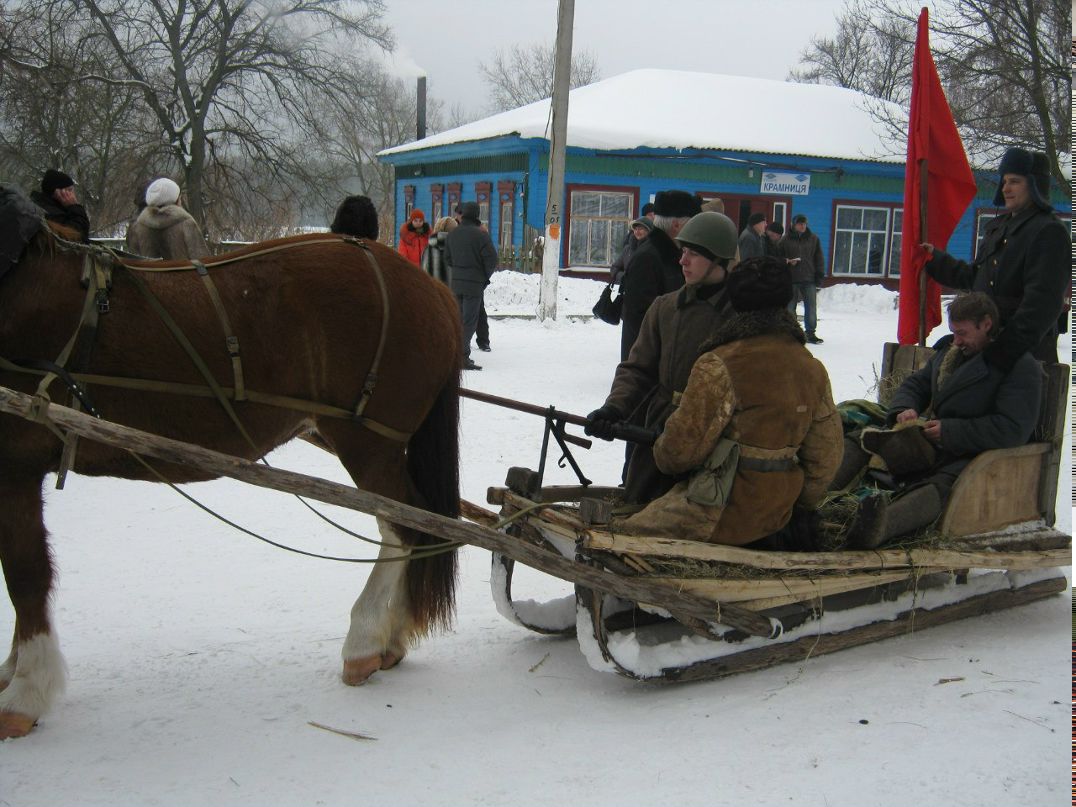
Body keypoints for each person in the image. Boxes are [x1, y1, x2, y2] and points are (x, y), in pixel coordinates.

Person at [610, 256, 843, 545]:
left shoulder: (720, 364)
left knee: (619, 535)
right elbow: (826, 457)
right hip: (778, 511)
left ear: (736, 299)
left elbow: (678, 453)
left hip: (716, 511)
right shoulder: (811, 368)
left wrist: (662, 444)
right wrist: (796, 502)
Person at [835, 292, 1042, 549]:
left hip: (976, 456)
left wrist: (950, 431)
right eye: (953, 332)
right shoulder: (949, 354)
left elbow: (1012, 428)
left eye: (963, 333)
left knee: (943, 484)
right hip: (935, 444)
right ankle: (817, 498)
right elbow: (917, 384)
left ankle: (880, 527)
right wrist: (905, 408)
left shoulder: (1017, 366)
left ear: (987, 324)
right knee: (863, 439)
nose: (957, 340)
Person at [585, 211, 739, 504]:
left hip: (715, 443)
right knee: (639, 510)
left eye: (694, 254)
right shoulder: (665, 308)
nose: (683, 261)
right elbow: (638, 369)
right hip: (658, 437)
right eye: (683, 251)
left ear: (718, 259)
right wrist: (614, 409)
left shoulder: (741, 316)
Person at [922, 146, 1068, 367]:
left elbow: (1041, 305)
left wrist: (1001, 352)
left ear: (1034, 184)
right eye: (1005, 181)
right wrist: (934, 260)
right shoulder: (999, 228)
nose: (1005, 188)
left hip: (1022, 357)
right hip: (986, 344)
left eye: (1014, 181)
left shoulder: (1049, 231)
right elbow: (976, 278)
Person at [618, 189, 702, 361]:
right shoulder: (648, 258)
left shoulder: (673, 254)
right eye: (692, 223)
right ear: (676, 225)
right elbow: (640, 318)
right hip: (648, 363)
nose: (695, 230)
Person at [444, 201, 497, 370]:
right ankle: (461, 356)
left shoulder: (453, 234)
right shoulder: (481, 235)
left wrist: (458, 271)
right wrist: (483, 277)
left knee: (458, 319)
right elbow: (491, 259)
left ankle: (457, 355)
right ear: (477, 215)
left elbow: (447, 258)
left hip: (456, 283)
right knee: (469, 321)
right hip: (474, 285)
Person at [125, 177, 210, 260]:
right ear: (175, 200)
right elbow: (204, 260)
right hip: (183, 270)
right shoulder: (186, 223)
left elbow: (134, 260)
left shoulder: (138, 227)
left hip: (148, 270)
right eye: (179, 197)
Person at [778, 214, 825, 344]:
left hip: (809, 278)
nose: (802, 226)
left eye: (804, 223)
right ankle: (792, 333)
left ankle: (810, 333)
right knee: (790, 308)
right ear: (794, 225)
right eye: (800, 224)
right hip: (791, 279)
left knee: (811, 307)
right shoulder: (785, 240)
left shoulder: (813, 239)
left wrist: (819, 275)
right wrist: (787, 261)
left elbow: (819, 258)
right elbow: (778, 257)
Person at [30, 169, 89, 242]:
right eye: (70, 190)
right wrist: (75, 207)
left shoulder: (49, 207)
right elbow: (77, 236)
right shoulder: (50, 213)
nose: (73, 195)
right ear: (57, 192)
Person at [610, 217, 653, 285]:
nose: (637, 232)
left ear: (649, 231)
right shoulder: (628, 249)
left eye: (640, 229)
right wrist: (624, 277)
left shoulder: (655, 250)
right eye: (635, 229)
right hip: (628, 289)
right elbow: (614, 268)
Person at [421, 215, 457, 285]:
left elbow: (423, 275)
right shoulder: (458, 249)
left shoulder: (427, 249)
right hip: (453, 291)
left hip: (433, 290)